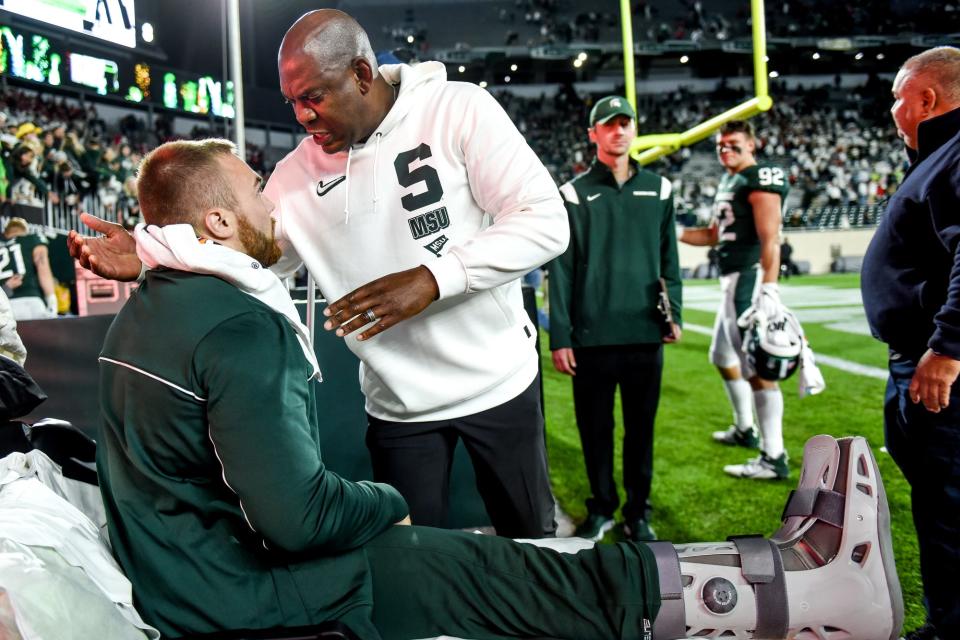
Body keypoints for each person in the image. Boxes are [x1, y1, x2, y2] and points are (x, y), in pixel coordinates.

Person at [98, 138, 902, 640]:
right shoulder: (238, 326)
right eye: (249, 193)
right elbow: (297, 519)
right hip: (238, 595)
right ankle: (799, 590)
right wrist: (383, 502)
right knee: (529, 579)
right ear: (214, 227)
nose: (268, 199)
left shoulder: (149, 315)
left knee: (516, 568)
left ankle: (780, 574)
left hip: (192, 577)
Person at [71, 9, 567, 538]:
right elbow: (240, 254)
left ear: (360, 74)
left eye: (314, 97)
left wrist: (432, 278)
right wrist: (153, 252)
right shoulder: (294, 177)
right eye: (293, 103)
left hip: (498, 382)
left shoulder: (459, 109)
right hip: (398, 405)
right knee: (413, 563)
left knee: (533, 543)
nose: (302, 117)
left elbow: (546, 221)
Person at [548, 96, 682, 543]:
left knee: (641, 433)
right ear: (594, 134)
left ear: (633, 130)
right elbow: (561, 270)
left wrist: (673, 313)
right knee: (596, 432)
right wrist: (561, 336)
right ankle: (602, 507)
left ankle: (637, 512)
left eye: (625, 123)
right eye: (609, 125)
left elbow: (670, 260)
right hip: (591, 338)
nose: (619, 131)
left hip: (644, 332)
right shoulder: (573, 194)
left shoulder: (660, 190)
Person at [861, 45, 960, 640]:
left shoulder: (952, 153)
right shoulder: (937, 154)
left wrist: (947, 349)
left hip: (937, 365)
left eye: (898, 97)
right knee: (938, 501)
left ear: (927, 97)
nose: (892, 109)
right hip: (919, 359)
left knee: (950, 509)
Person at [679, 120, 791, 480]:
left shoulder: (760, 179)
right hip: (730, 278)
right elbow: (714, 234)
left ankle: (773, 455)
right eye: (721, 145)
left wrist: (769, 289)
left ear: (751, 146)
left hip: (747, 278)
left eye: (734, 144)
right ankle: (745, 428)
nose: (726, 149)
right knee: (722, 356)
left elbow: (770, 238)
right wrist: (675, 232)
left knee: (756, 367)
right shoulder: (732, 181)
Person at [0, 218, 57, 320]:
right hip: (30, 302)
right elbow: (43, 268)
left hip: (4, 307)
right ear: (24, 231)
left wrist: (6, 288)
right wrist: (52, 301)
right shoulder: (31, 238)